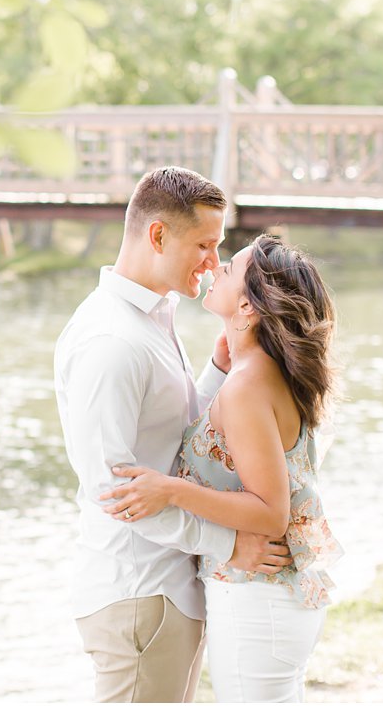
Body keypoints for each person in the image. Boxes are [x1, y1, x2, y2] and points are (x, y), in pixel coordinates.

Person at [55, 167, 295, 703]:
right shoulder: (111, 341)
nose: (214, 263)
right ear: (158, 235)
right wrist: (230, 544)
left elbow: (174, 440)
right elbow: (114, 491)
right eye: (205, 245)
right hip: (139, 591)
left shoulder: (152, 318)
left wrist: (213, 371)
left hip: (167, 589)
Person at [100, 233, 342, 703]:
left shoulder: (249, 385)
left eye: (230, 268)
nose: (216, 268)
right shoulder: (257, 373)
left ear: (248, 307)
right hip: (272, 597)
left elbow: (271, 512)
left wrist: (171, 490)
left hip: (259, 598)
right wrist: (217, 367)